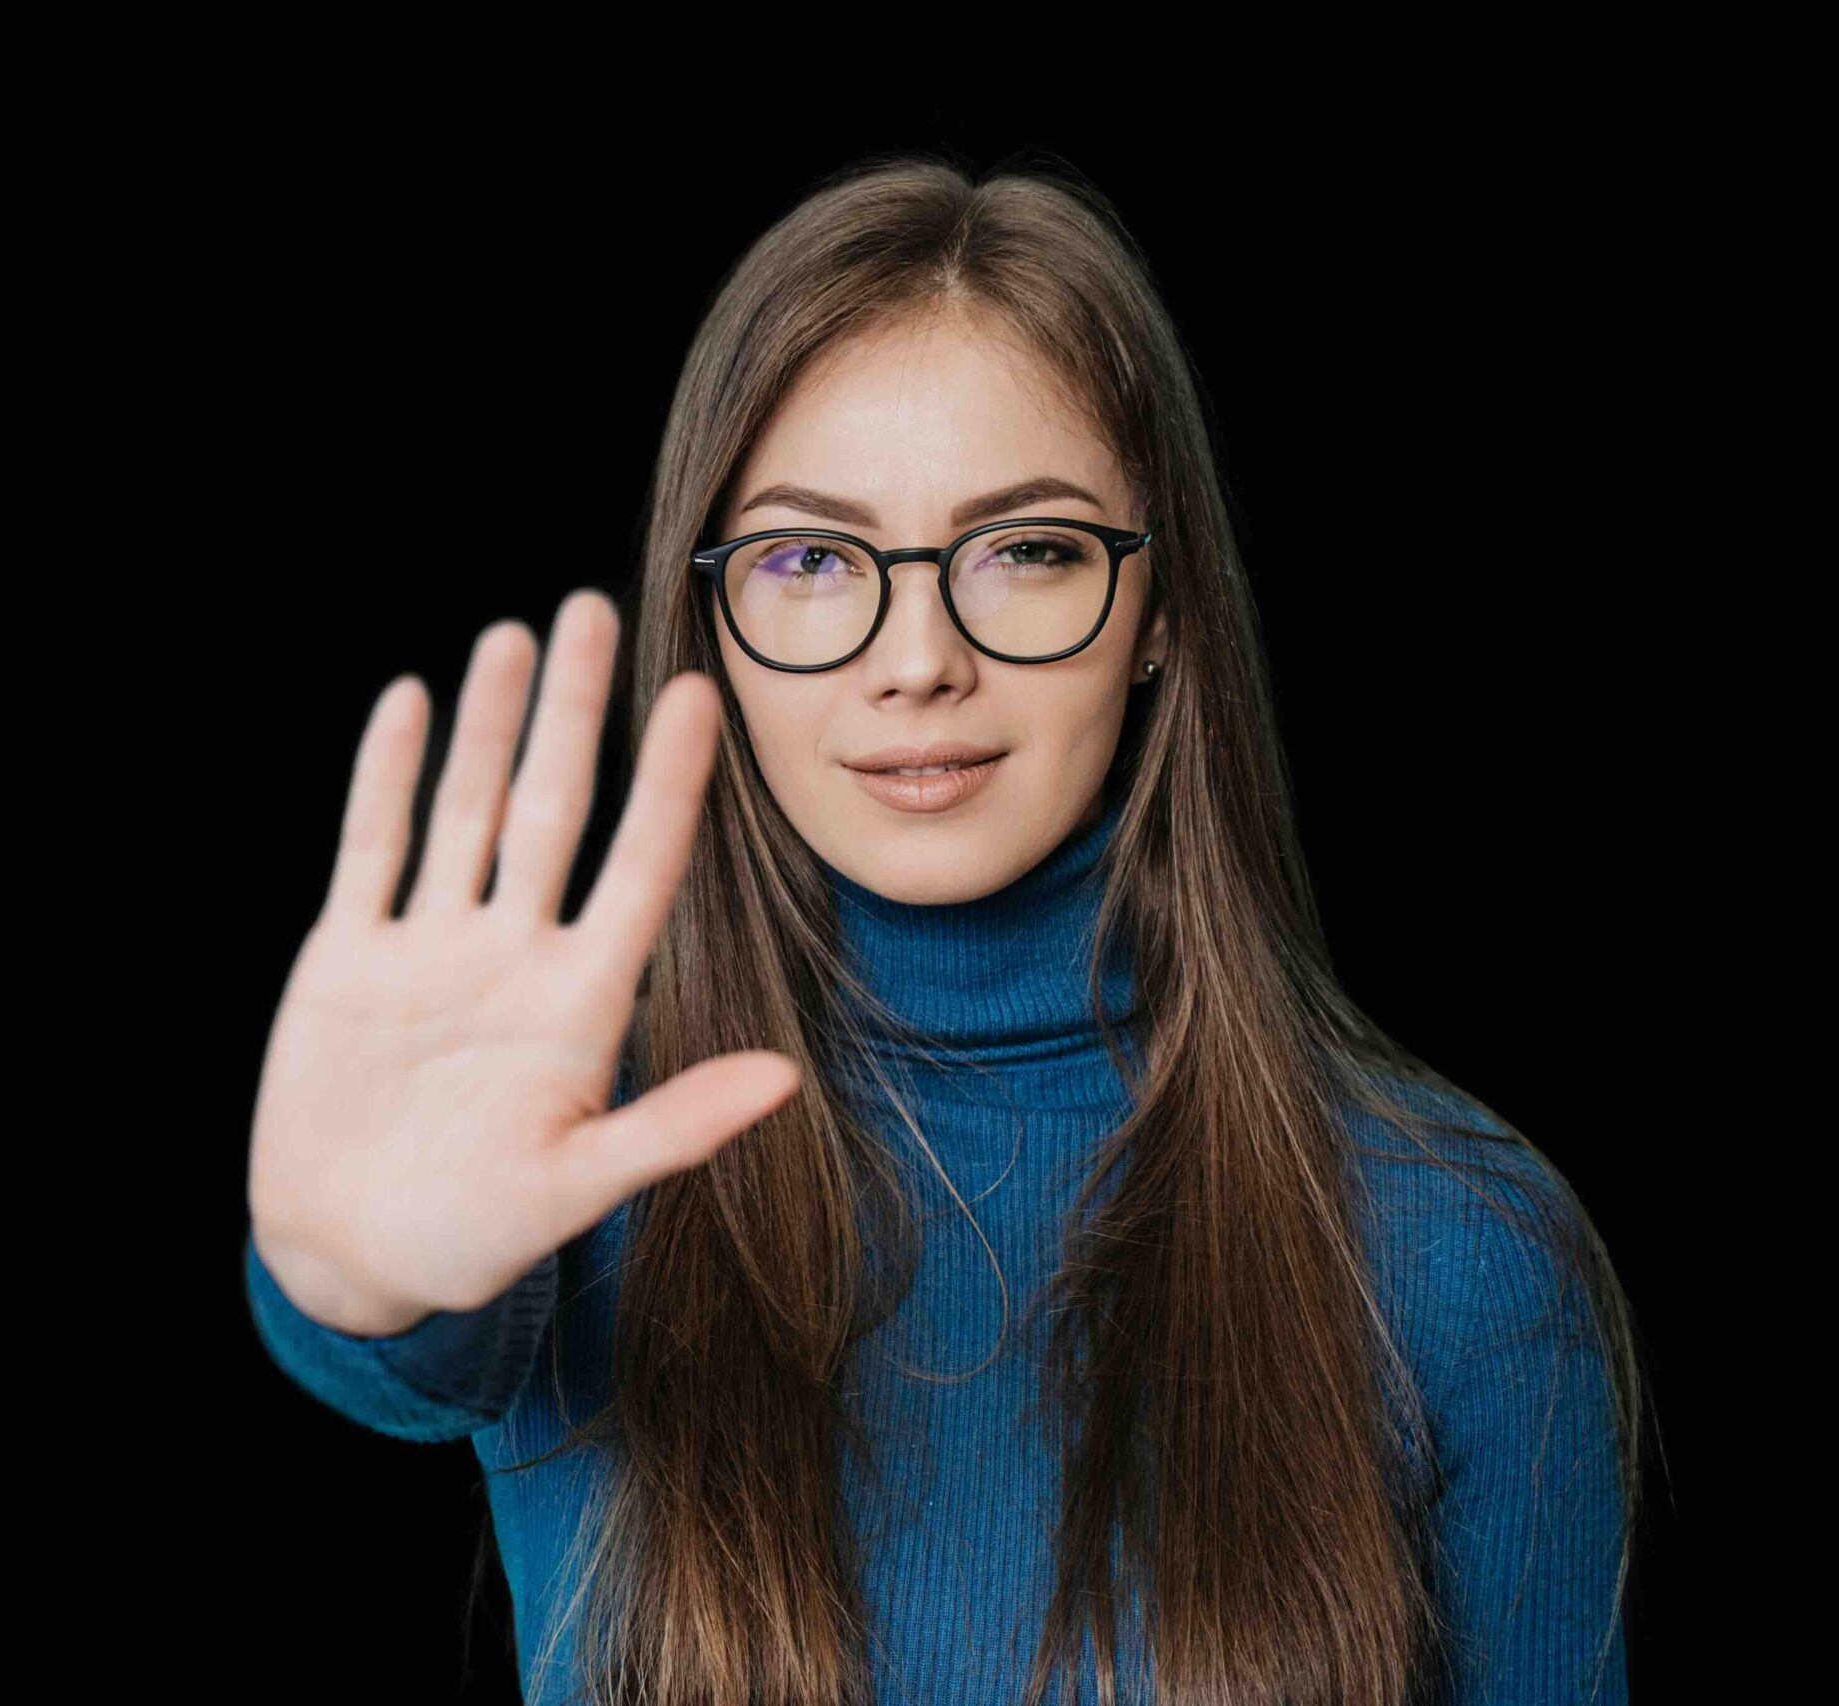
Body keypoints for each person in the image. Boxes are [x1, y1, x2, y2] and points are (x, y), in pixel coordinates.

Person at [242, 153, 1641, 1706]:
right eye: (808, 559)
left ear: (1162, 602)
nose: (916, 660)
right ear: (712, 618)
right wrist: (345, 1277)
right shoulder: (566, 1170)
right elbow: (396, 1334)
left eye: (1029, 549)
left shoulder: (1468, 1246)